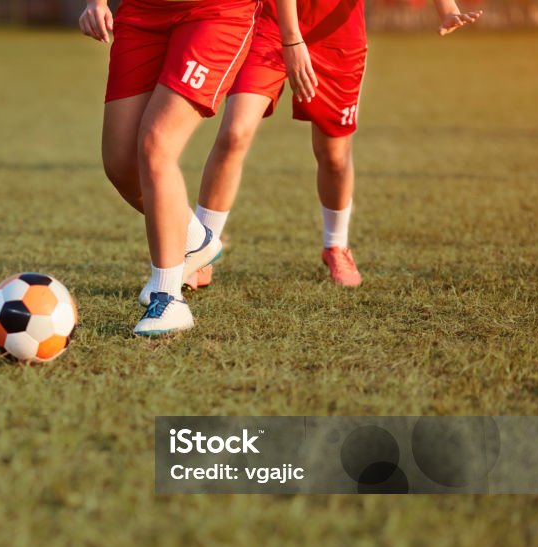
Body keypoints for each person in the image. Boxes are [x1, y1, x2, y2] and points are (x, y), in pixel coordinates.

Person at [193, 0, 482, 288]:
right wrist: (292, 39)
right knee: (234, 133)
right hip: (272, 26)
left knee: (334, 157)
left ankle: (336, 246)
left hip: (337, 35)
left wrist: (447, 9)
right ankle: (200, 253)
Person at [79, 0, 261, 336]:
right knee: (120, 165)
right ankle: (195, 240)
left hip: (216, 13)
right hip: (141, 13)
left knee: (156, 143)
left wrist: (292, 39)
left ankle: (168, 296)